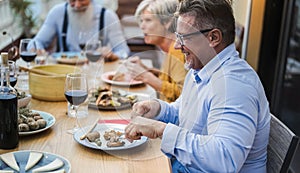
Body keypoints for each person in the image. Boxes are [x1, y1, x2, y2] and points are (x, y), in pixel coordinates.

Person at [125, 0, 271, 172]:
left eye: (184, 37)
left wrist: (161, 130)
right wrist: (158, 110)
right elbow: (184, 116)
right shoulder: (201, 68)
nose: (177, 45)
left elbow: (225, 160)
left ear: (213, 38)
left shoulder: (233, 85)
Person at [125, 0, 188, 102]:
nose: (142, 26)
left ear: (167, 22)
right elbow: (169, 80)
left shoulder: (177, 50)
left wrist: (146, 77)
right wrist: (147, 70)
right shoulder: (169, 47)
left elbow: (182, 94)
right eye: (141, 21)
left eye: (148, 20)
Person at [33, 0, 130, 61]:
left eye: (82, 0)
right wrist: (37, 48)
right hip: (63, 71)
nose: (77, 5)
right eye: (72, 0)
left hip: (95, 72)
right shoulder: (57, 13)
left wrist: (113, 55)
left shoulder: (107, 16)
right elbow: (36, 42)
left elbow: (124, 51)